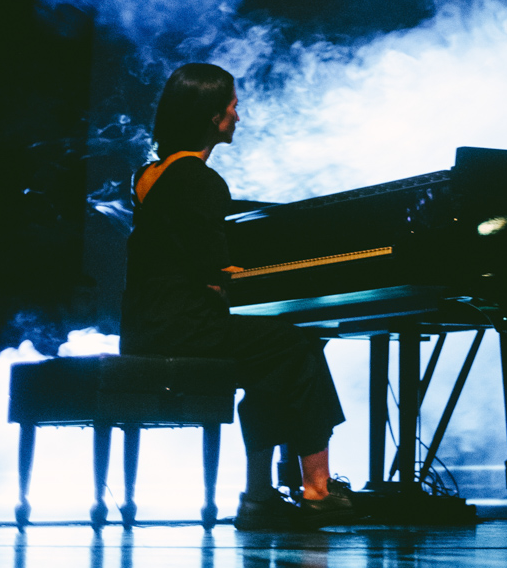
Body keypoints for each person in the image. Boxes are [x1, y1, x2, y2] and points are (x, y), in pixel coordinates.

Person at [120, 62, 353, 529]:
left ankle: (260, 495)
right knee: (295, 342)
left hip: (147, 324)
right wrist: (270, 280)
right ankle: (317, 488)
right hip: (185, 326)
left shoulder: (151, 176)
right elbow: (213, 273)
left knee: (271, 360)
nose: (237, 118)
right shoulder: (201, 181)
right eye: (232, 108)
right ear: (212, 116)